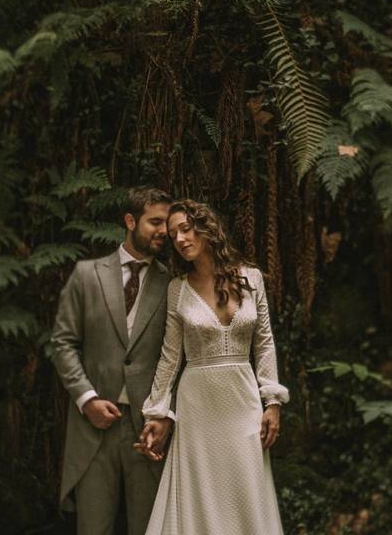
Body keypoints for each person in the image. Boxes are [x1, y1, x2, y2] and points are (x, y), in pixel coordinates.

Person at [135, 199, 289, 534]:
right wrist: (157, 412)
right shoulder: (178, 288)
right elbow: (170, 356)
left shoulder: (252, 279)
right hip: (197, 407)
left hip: (243, 402)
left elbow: (264, 344)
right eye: (174, 233)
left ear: (207, 228)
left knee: (245, 489)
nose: (180, 239)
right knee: (201, 493)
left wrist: (273, 402)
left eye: (186, 229)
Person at [51, 187, 177, 535]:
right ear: (129, 220)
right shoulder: (86, 275)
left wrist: (164, 414)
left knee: (150, 529)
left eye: (167, 223)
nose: (164, 231)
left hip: (148, 431)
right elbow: (62, 343)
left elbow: (177, 358)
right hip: (94, 428)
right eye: (155, 222)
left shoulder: (173, 285)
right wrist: (86, 399)